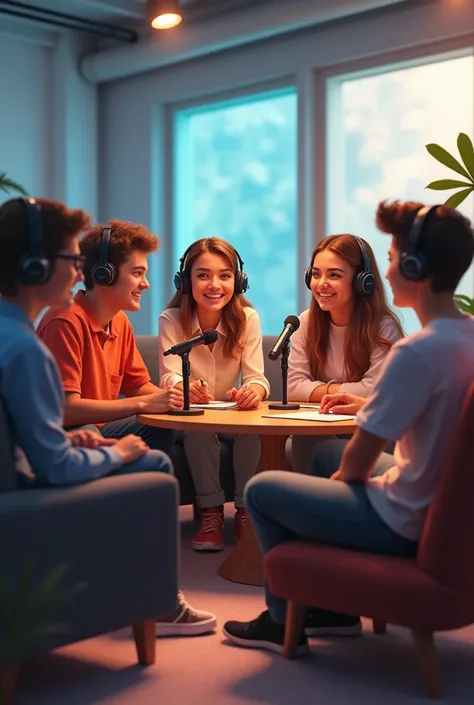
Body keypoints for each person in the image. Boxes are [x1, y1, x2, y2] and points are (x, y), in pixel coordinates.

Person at [223, 200, 474, 653]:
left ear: (415, 268)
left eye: (394, 259)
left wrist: (331, 504)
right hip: (444, 505)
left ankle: (284, 620)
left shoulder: (414, 352)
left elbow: (357, 465)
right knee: (320, 455)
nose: (388, 271)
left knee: (263, 490)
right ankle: (334, 610)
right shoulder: (466, 338)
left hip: (404, 516)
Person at [0, 200, 216, 638]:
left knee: (150, 430)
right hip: (35, 480)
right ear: (37, 267)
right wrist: (117, 449)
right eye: (71, 262)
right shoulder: (45, 335)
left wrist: (170, 395)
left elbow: (137, 389)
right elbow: (60, 424)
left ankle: (128, 567)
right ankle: (152, 594)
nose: (79, 272)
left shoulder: (27, 333)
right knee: (151, 463)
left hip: (41, 456)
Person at [159, 238, 270, 551]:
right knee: (199, 430)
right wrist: (183, 387)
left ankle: (246, 511)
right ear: (185, 281)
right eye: (203, 275)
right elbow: (168, 374)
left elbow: (257, 378)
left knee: (252, 430)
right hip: (190, 418)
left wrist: (253, 391)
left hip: (229, 414)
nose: (214, 285)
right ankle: (211, 514)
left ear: (238, 281)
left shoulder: (248, 319)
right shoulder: (171, 319)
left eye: (225, 275)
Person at [37, 220, 183, 455]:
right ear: (104, 274)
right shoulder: (65, 321)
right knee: (95, 432)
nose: (145, 284)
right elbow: (65, 409)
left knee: (162, 425)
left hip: (98, 427)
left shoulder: (119, 321)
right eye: (137, 273)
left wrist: (181, 399)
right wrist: (145, 404)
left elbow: (137, 387)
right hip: (65, 432)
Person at [287, 234, 403, 474]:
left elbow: (375, 391)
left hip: (371, 431)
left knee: (300, 445)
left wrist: (320, 391)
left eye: (334, 275)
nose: (321, 284)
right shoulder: (305, 322)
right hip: (321, 426)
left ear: (362, 281)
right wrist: (338, 393)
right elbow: (294, 387)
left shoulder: (383, 327)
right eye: (316, 274)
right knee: (299, 441)